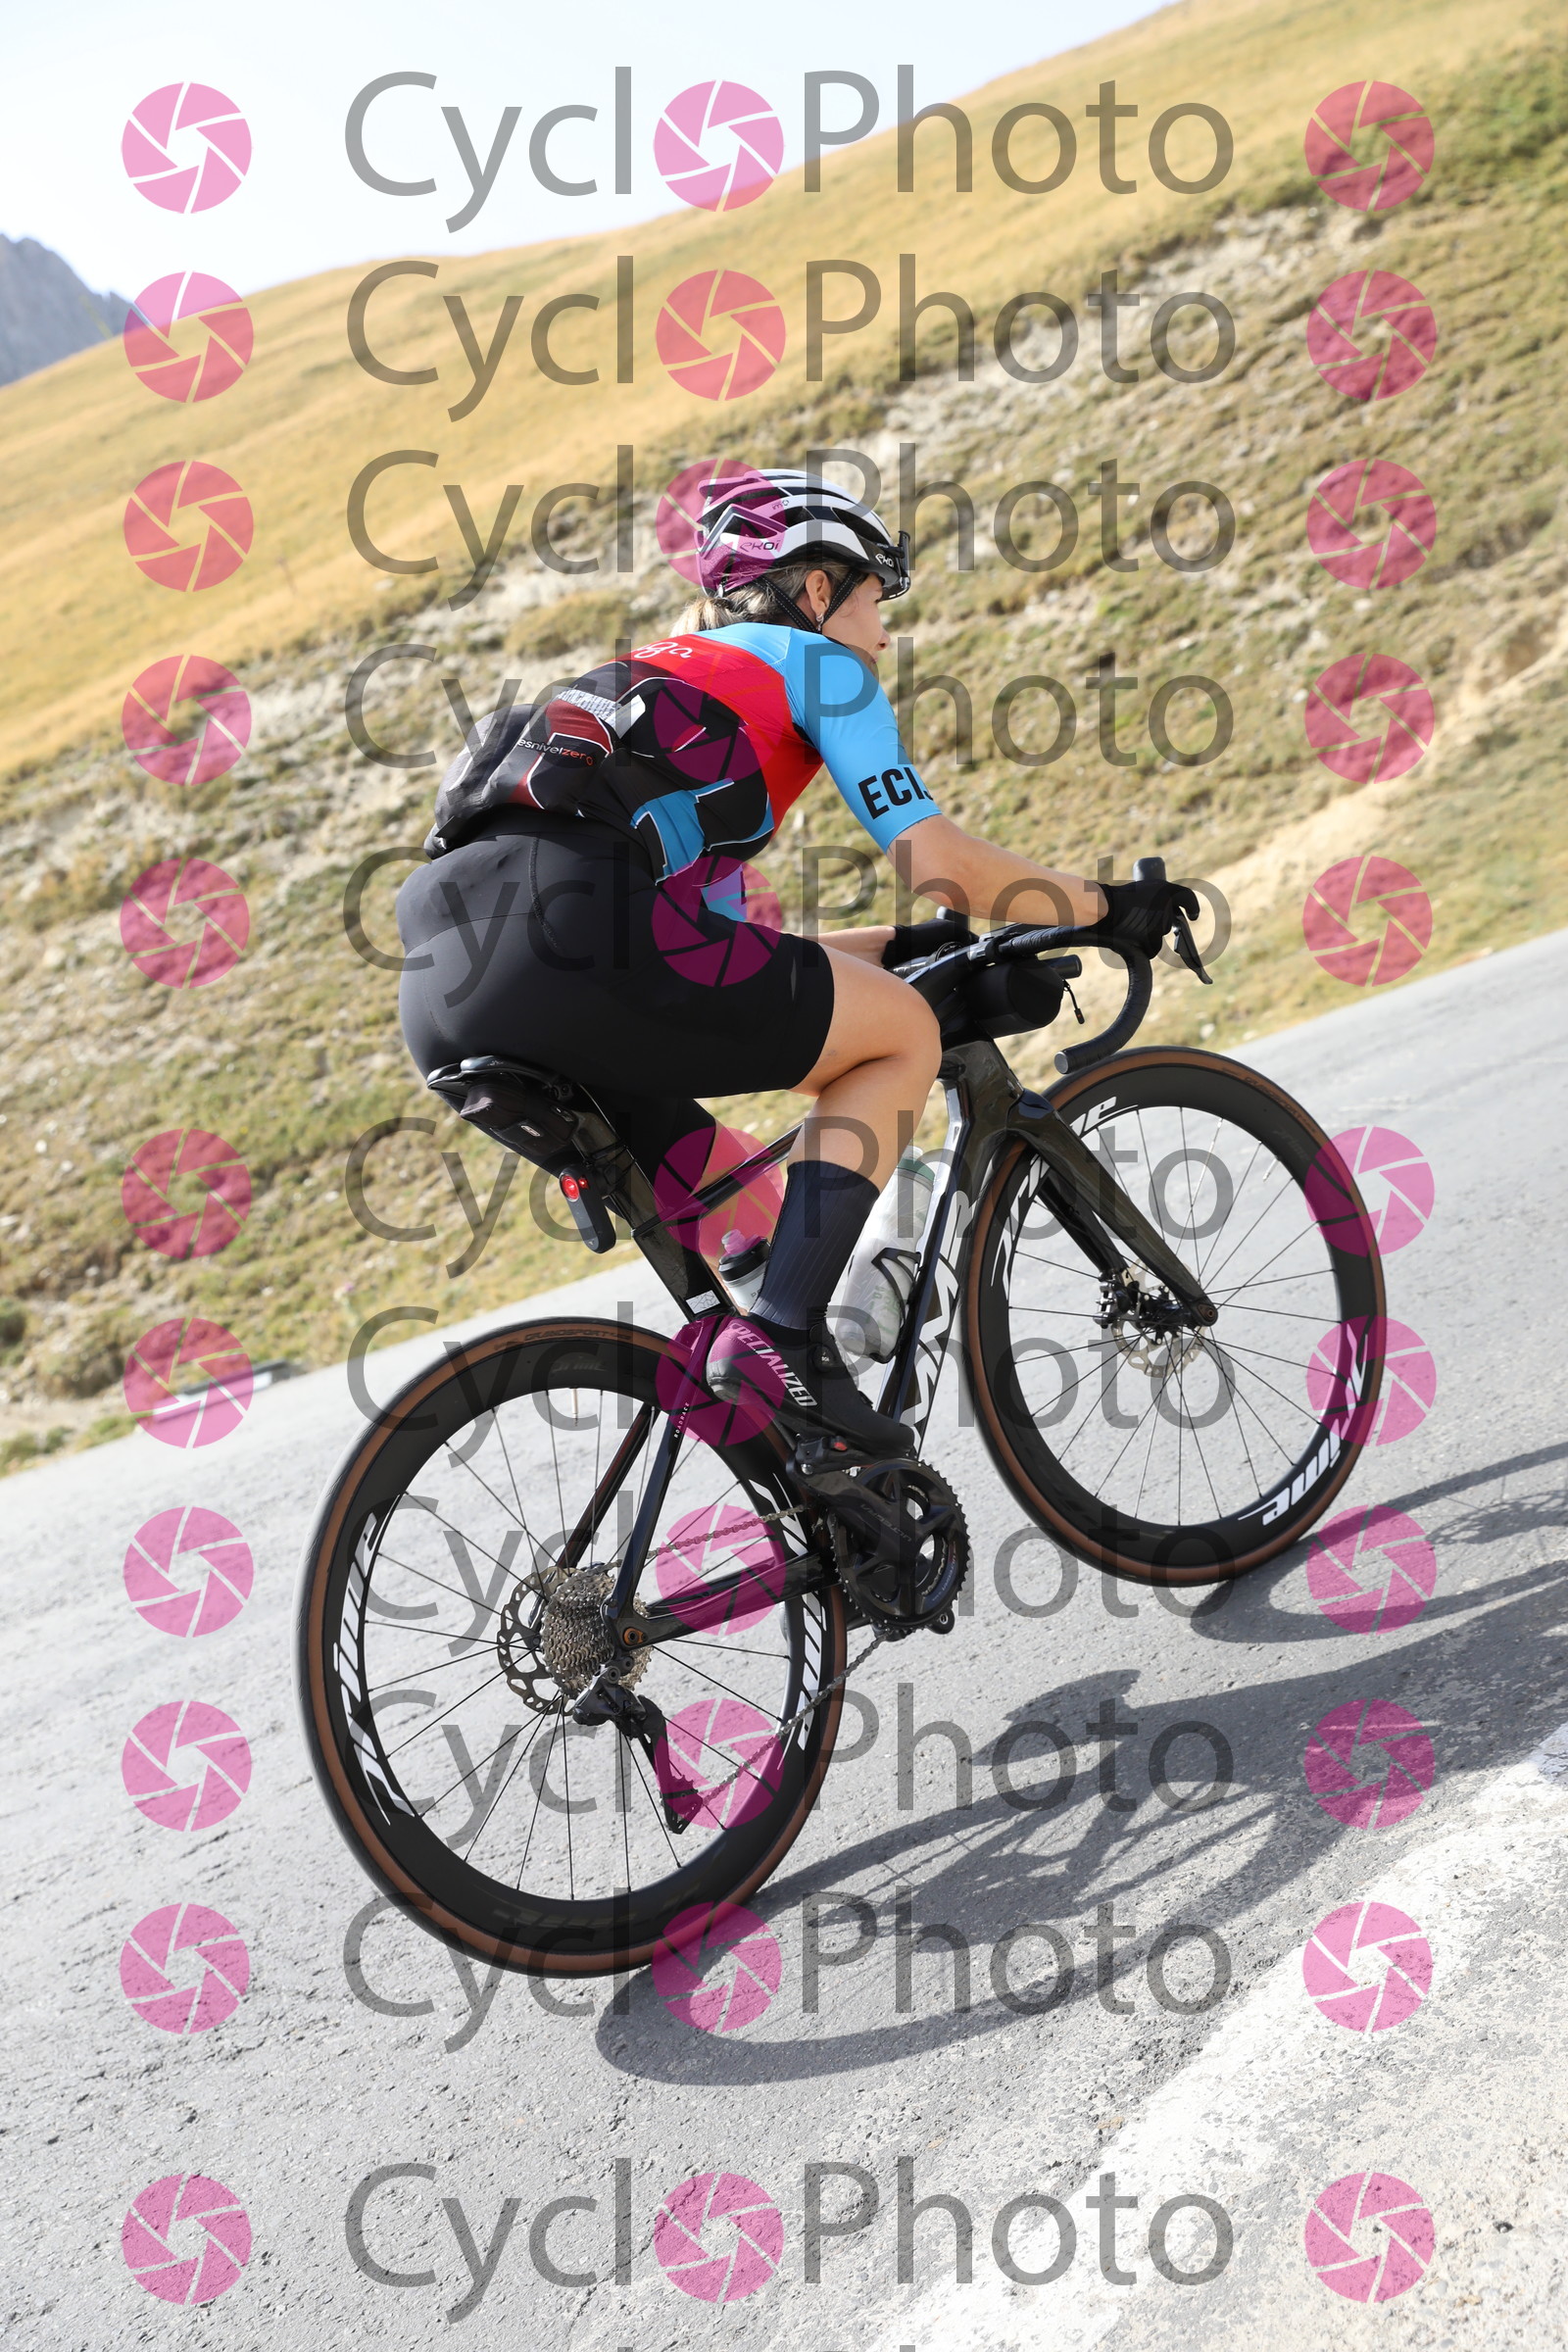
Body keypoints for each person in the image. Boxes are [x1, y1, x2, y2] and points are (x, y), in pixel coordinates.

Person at [396, 469, 1192, 1456]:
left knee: (759, 1220)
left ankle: (817, 1472)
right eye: (875, 600)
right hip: (592, 940)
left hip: (449, 989)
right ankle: (789, 1344)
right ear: (817, 590)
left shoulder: (648, 695)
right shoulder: (819, 669)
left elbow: (722, 963)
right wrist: (1105, 906)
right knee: (899, 1037)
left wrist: (910, 948)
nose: (883, 635)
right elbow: (937, 863)